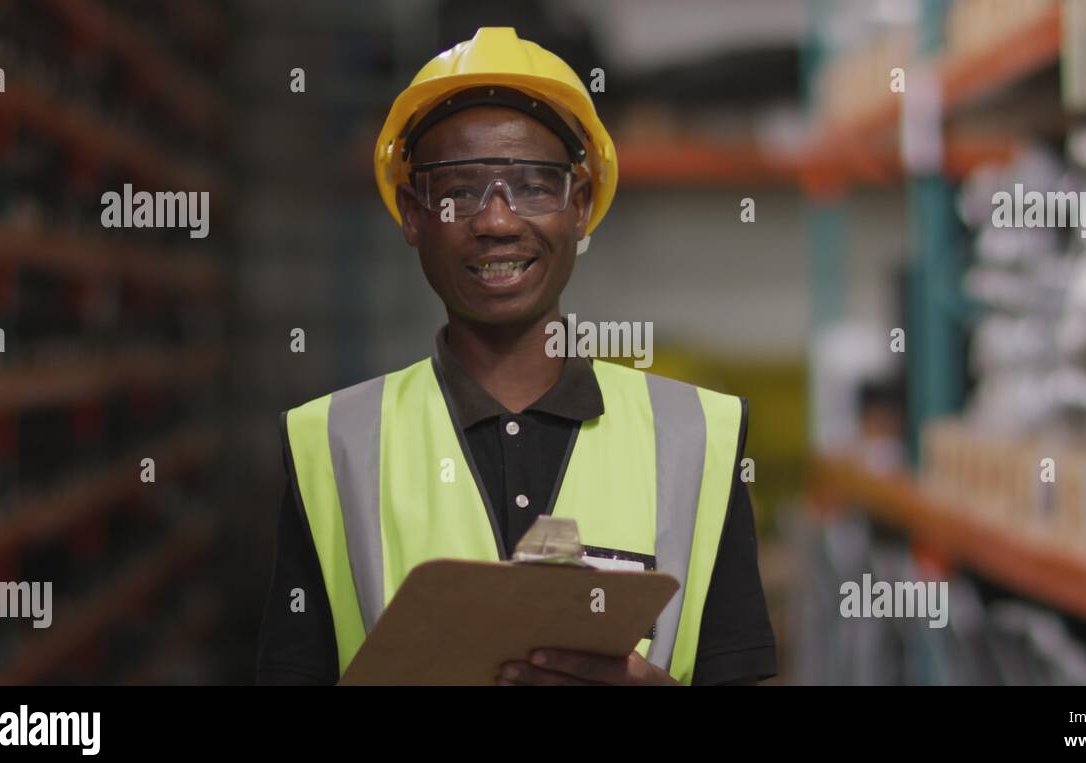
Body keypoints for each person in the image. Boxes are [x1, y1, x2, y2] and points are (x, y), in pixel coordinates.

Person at [256, 27, 775, 686]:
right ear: (413, 214)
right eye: (459, 187)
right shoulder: (331, 444)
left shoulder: (700, 437)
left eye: (533, 184)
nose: (497, 220)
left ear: (580, 207)